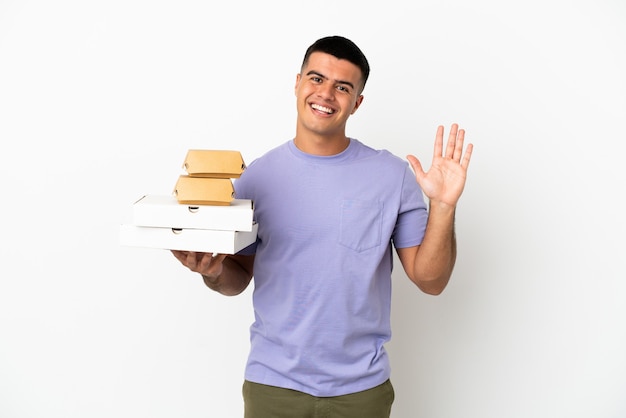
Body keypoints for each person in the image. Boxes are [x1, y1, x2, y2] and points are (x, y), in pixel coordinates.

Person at [171, 35, 473, 418]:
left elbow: (432, 281)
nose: (326, 94)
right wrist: (212, 272)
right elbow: (236, 280)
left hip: (360, 391)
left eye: (342, 87)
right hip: (272, 386)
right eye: (316, 79)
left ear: (357, 102)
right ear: (297, 83)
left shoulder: (392, 176)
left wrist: (443, 206)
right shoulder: (256, 179)